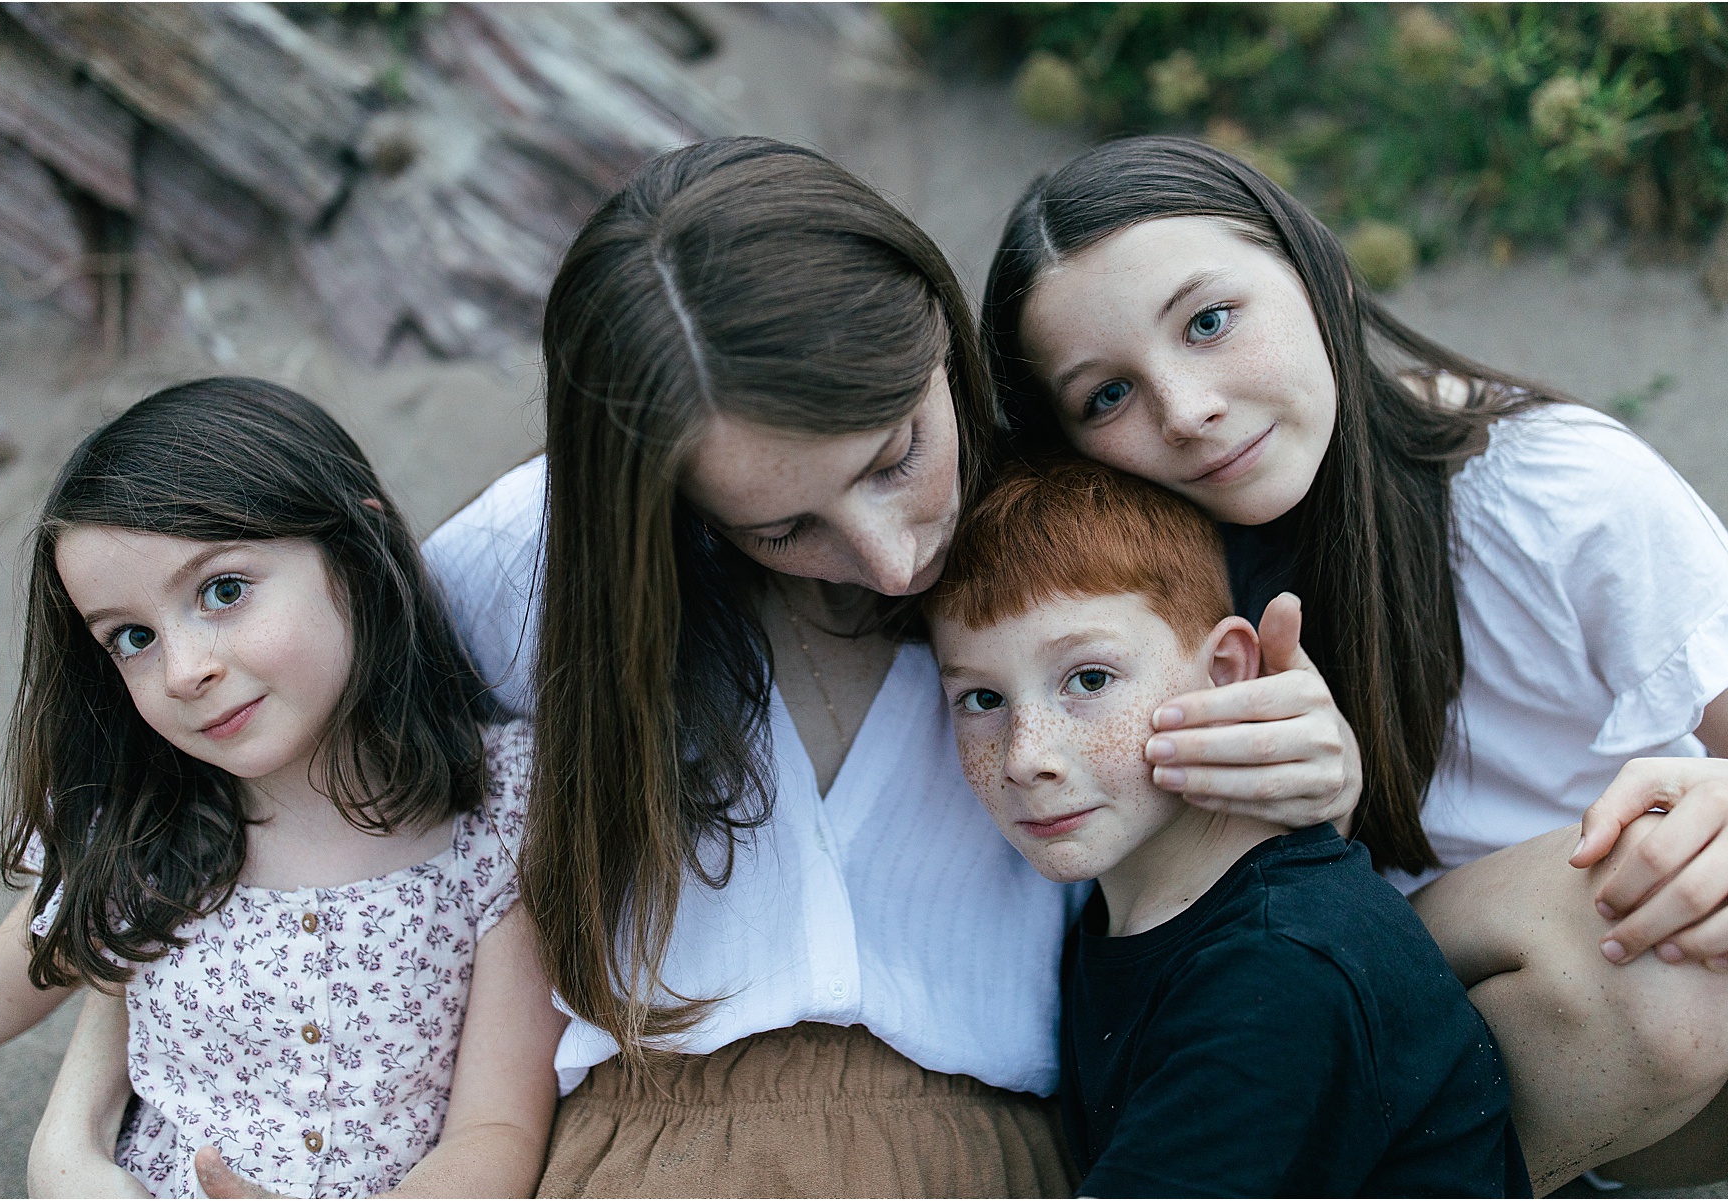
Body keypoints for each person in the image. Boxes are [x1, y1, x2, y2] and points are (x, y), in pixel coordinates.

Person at [421, 137, 1359, 1197]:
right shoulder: (532, 562)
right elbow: (344, 822)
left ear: (935, 339)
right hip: (637, 1155)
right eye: (782, 528)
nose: (890, 557)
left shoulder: (1077, 519)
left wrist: (1316, 779)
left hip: (990, 1156)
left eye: (895, 456)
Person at [980, 135, 1728, 1193]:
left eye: (1210, 322)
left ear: (1319, 274)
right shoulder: (1132, 612)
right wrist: (1308, 821)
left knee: (1708, 909)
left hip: (1616, 1040)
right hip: (1352, 1037)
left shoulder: (1548, 484)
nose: (1186, 407)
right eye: (1106, 396)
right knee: (1662, 970)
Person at [0, 378, 566, 1197]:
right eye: (133, 636)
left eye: (223, 589)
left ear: (357, 551)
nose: (185, 670)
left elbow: (497, 1128)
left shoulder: (498, 815)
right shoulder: (140, 824)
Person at [925, 457, 1529, 1197]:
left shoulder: (1278, 971)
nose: (1026, 757)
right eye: (981, 698)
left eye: (1089, 679)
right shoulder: (1132, 909)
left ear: (1226, 671)